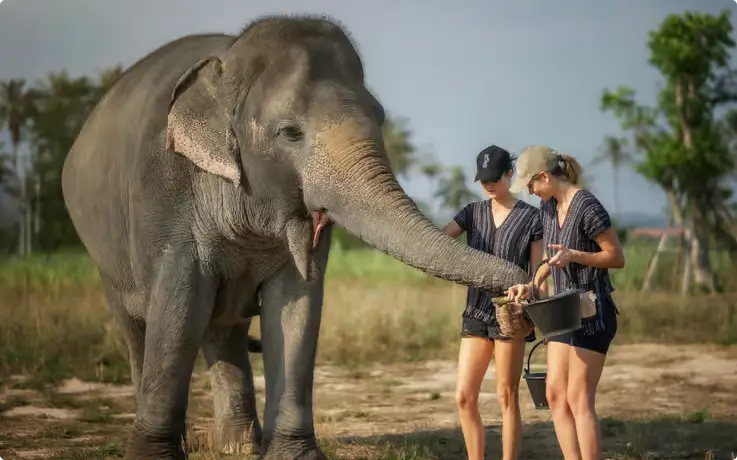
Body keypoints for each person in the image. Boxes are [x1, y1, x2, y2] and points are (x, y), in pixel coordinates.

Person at [505, 145, 625, 460]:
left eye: (531, 185)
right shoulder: (548, 207)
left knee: (578, 398)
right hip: (561, 310)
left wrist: (575, 255)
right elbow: (549, 259)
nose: (530, 192)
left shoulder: (587, 205)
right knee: (555, 394)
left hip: (591, 312)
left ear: (544, 176)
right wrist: (532, 284)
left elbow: (616, 257)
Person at [441, 144, 545, 460]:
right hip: (475, 312)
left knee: (506, 396)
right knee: (463, 396)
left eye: (494, 178)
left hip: (511, 317)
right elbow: (438, 242)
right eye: (483, 179)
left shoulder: (532, 218)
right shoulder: (472, 213)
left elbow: (538, 272)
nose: (488, 185)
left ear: (510, 175)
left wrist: (530, 287)